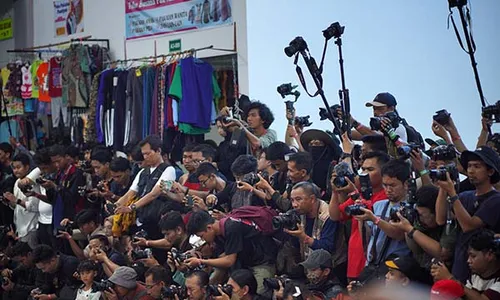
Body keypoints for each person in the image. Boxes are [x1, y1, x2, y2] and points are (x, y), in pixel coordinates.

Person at [435, 146, 500, 282]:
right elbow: (440, 219)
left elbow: (469, 226)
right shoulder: (465, 196)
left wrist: (452, 193)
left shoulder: (496, 199)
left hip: (483, 275)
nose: (470, 171)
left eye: (477, 166)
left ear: (490, 171)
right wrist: (443, 186)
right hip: (460, 265)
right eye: (469, 166)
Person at [329, 151, 390, 280]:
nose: (364, 173)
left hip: (374, 267)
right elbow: (336, 215)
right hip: (354, 264)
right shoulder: (360, 194)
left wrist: (354, 192)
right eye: (362, 169)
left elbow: (372, 217)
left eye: (370, 169)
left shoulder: (387, 197)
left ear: (384, 173)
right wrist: (335, 191)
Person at [186, 210, 277, 294]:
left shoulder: (231, 227)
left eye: (202, 236)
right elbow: (222, 258)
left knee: (258, 293)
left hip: (262, 262)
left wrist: (200, 261)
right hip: (245, 265)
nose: (203, 239)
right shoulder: (218, 234)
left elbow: (229, 261)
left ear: (209, 228)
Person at [355, 159, 411, 278]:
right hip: (372, 264)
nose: (388, 190)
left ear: (406, 184)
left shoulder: (411, 208)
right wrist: (361, 218)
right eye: (385, 185)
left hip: (394, 268)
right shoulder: (379, 205)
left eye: (392, 185)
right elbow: (368, 236)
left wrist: (375, 219)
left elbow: (398, 234)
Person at [286, 181, 346, 286]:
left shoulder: (328, 215)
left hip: (331, 270)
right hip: (310, 266)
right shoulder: (299, 212)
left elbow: (327, 247)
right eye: (292, 200)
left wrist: (304, 237)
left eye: (298, 199)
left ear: (312, 199)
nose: (294, 205)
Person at [390, 185, 452, 270]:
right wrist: (407, 227)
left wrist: (410, 230)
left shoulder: (450, 221)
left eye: (422, 215)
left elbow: (442, 253)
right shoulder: (418, 220)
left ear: (436, 211)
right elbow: (416, 250)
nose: (420, 219)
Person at [431, 230, 500, 300]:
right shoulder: (475, 274)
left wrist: (450, 279)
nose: (468, 260)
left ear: (490, 255)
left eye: (473, 256)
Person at [2, 153, 40, 248]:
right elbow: (16, 206)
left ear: (27, 167)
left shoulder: (32, 183)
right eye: (14, 168)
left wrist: (16, 200)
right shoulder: (16, 182)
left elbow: (34, 207)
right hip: (20, 228)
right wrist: (9, 201)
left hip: (31, 227)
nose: (16, 171)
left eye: (18, 167)